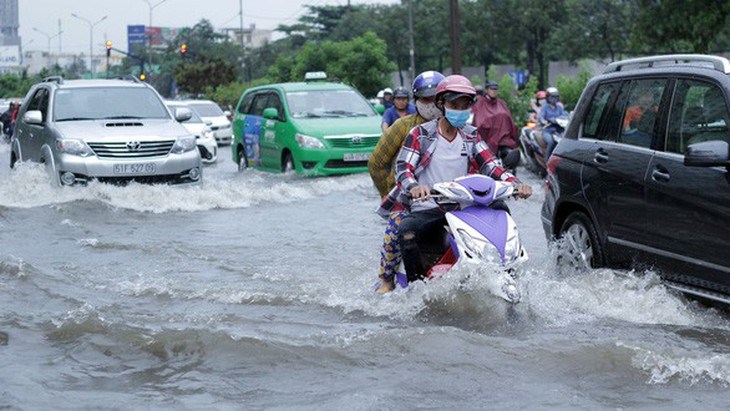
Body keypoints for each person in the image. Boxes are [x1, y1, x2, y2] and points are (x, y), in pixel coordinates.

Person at [379, 75, 532, 284]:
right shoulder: (420, 134)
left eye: (465, 105)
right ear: (441, 104)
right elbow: (403, 168)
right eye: (454, 104)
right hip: (429, 206)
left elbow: (491, 165)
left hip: (464, 206)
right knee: (406, 232)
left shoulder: (471, 134)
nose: (459, 110)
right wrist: (415, 187)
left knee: (501, 210)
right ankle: (417, 289)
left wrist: (514, 183)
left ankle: (510, 275)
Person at [368, 70, 445, 293]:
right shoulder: (403, 127)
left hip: (448, 197)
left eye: (435, 99)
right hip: (410, 198)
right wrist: (390, 192)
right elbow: (376, 163)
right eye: (425, 99)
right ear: (416, 100)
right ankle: (386, 280)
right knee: (396, 229)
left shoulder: (458, 129)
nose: (430, 104)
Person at [471, 81, 520, 169]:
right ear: (487, 90)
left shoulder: (501, 103)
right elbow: (479, 121)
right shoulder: (480, 104)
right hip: (487, 138)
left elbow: (509, 119)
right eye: (491, 89)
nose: (493, 91)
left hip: (503, 139)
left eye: (495, 89)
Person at [538, 87, 567, 161]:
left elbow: (564, 116)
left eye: (556, 97)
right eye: (552, 97)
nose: (554, 99)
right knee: (551, 141)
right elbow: (541, 118)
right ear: (548, 98)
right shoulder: (545, 107)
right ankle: (547, 160)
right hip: (548, 130)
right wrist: (544, 121)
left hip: (559, 130)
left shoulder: (559, 107)